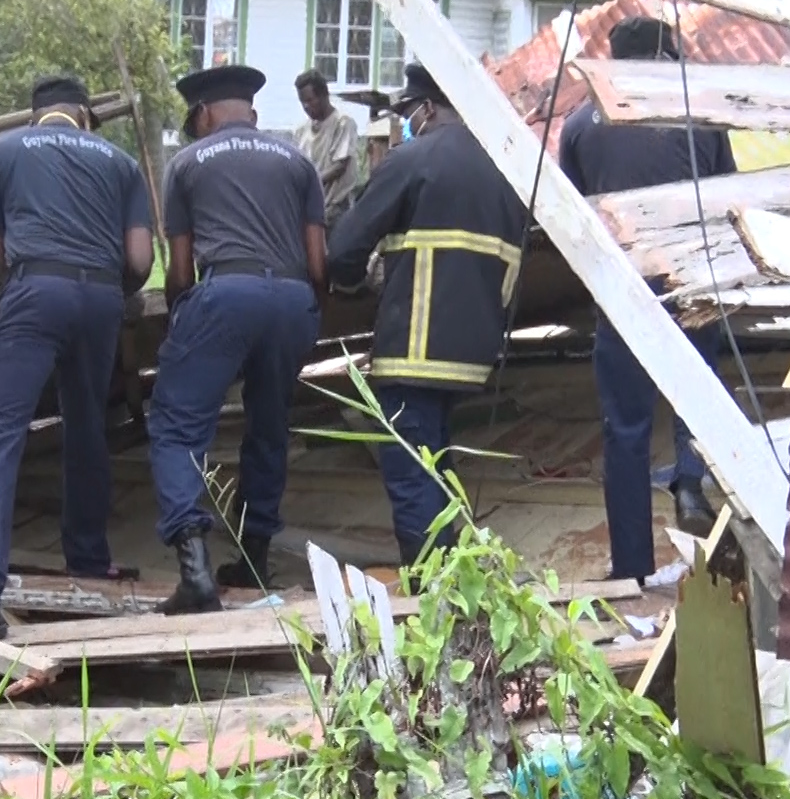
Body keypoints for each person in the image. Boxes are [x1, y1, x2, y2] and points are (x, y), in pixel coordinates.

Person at [0, 75, 155, 641]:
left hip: (33, 292)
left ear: (34, 114)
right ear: (85, 115)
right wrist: (105, 286)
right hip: (100, 300)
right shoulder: (120, 162)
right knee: (88, 426)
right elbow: (140, 260)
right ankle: (88, 561)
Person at [326, 63, 527, 565]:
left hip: (412, 349)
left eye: (410, 113)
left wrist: (358, 279)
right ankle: (455, 585)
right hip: (474, 353)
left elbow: (344, 249)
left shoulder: (412, 158)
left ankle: (430, 599)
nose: (409, 122)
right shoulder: (509, 168)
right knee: (439, 471)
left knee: (413, 480)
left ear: (429, 108)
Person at [557, 16, 730, 584]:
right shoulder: (698, 112)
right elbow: (730, 195)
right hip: (689, 283)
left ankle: (632, 568)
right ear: (666, 53)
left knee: (626, 430)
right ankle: (701, 504)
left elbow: (575, 214)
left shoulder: (582, 123)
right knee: (702, 408)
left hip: (624, 290)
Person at [148, 64, 326, 613]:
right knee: (269, 425)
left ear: (203, 114)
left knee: (175, 426)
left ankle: (195, 571)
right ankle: (252, 558)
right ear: (252, 111)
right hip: (295, 299)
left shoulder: (185, 164)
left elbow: (179, 271)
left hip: (226, 294)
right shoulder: (299, 161)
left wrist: (185, 316)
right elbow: (319, 262)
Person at [294, 70, 359, 228]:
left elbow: (339, 166)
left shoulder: (343, 123)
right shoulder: (301, 131)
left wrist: (311, 183)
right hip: (309, 209)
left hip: (336, 210)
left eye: (310, 100)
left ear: (324, 95)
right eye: (302, 102)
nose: (306, 106)